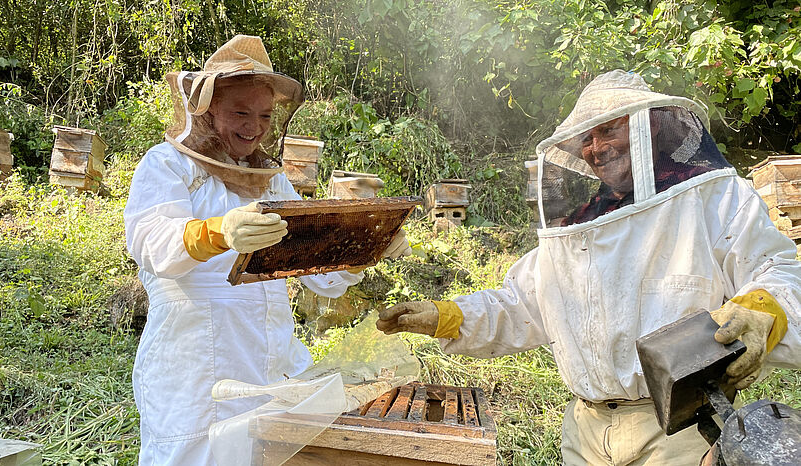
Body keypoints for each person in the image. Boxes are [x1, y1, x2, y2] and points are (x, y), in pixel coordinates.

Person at [377, 70, 800, 465]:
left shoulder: (713, 196)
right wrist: (447, 317)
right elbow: (523, 305)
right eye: (587, 137)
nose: (596, 148)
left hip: (683, 427)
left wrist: (762, 310)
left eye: (608, 130)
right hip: (586, 429)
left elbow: (778, 270)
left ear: (648, 125)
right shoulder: (582, 222)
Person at [124, 35, 409, 465]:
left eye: (264, 115)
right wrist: (218, 232)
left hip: (274, 367)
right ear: (207, 108)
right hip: (195, 373)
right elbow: (152, 242)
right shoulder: (167, 165)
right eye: (241, 112)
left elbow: (317, 272)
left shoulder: (272, 180)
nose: (254, 126)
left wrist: (364, 249)